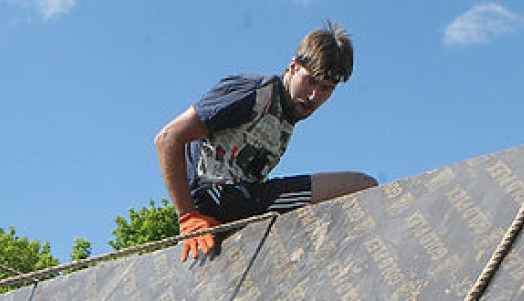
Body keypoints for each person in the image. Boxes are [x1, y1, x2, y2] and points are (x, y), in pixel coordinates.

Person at [154, 21, 378, 262]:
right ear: (293, 67)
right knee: (360, 184)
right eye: (310, 81)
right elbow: (168, 138)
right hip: (218, 198)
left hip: (244, 199)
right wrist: (187, 215)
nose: (314, 96)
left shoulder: (289, 114)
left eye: (326, 88)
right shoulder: (253, 92)